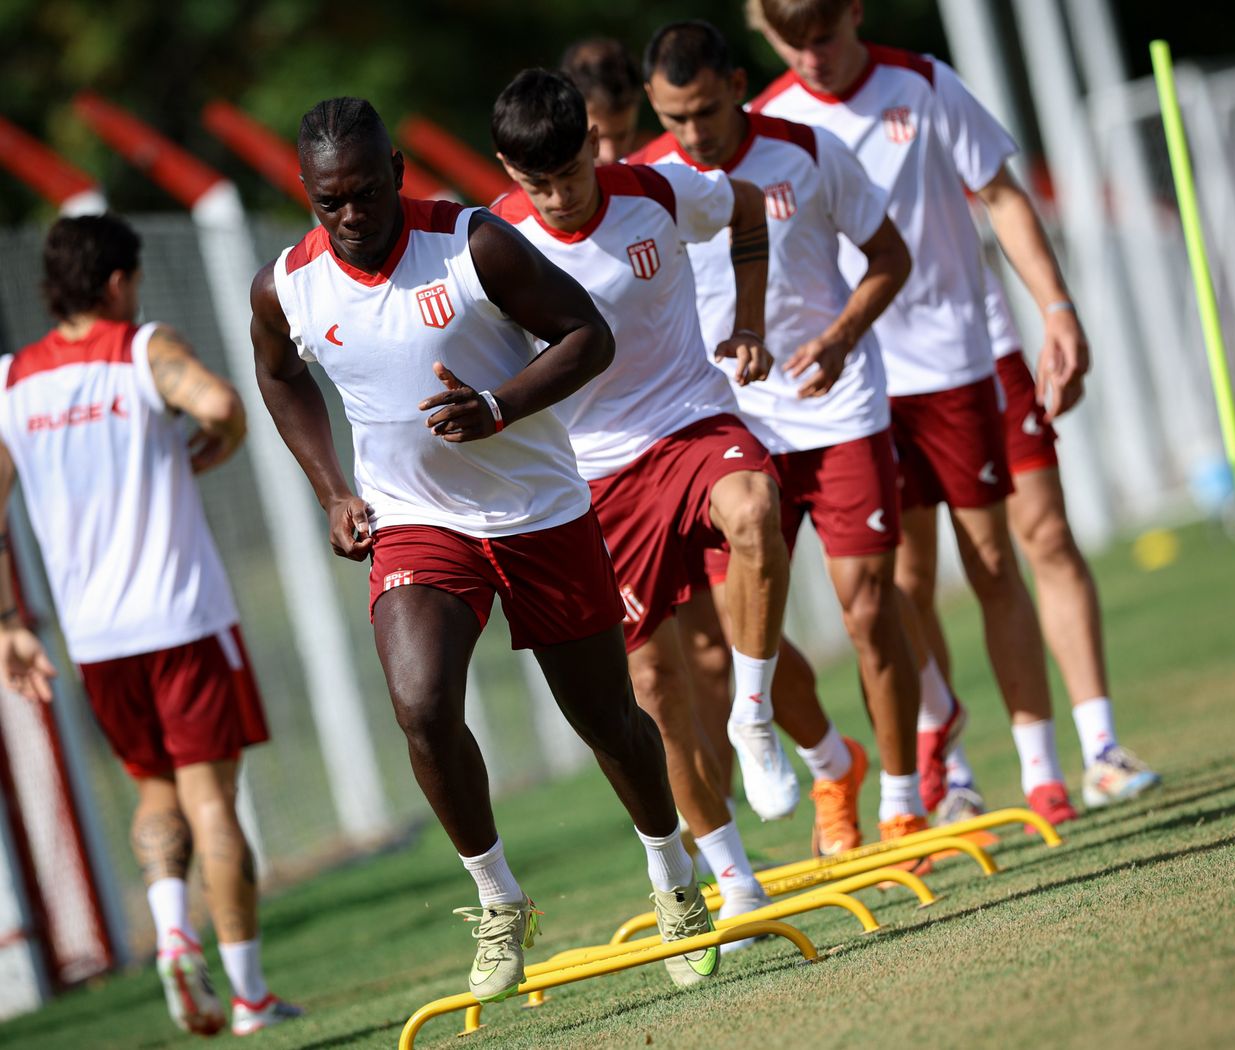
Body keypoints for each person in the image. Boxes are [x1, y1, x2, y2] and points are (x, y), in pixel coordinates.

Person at [251, 97, 715, 996]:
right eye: (327, 201)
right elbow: (278, 373)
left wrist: (499, 406)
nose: (350, 216)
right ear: (306, 195)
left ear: (395, 172)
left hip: (539, 510)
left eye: (363, 193)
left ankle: (673, 875)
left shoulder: (473, 244)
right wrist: (333, 491)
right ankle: (500, 901)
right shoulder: (287, 285)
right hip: (417, 520)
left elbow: (591, 333)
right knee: (421, 706)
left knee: (605, 721)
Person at [748, 0, 1107, 825]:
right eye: (789, 43)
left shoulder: (923, 83)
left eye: (824, 36)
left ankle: (1046, 767)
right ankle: (947, 756)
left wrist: (1055, 307)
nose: (812, 58)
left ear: (854, 13)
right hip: (857, 391)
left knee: (997, 558)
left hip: (957, 361)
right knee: (901, 584)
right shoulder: (766, 124)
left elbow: (1003, 195)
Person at [490, 68, 795, 938]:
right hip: (589, 478)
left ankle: (755, 712)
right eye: (535, 182)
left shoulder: (656, 190)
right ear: (511, 172)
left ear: (594, 141)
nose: (556, 196)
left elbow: (743, 204)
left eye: (569, 173)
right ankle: (733, 874)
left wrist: (751, 318)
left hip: (689, 420)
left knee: (755, 513)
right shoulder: (496, 245)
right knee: (652, 688)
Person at [636, 20, 949, 863]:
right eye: (675, 117)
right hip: (733, 430)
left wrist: (843, 337)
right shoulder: (651, 187)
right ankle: (828, 766)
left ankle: (903, 803)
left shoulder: (806, 153)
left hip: (838, 407)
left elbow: (888, 255)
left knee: (869, 608)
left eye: (706, 109)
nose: (695, 133)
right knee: (745, 637)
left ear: (738, 83)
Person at [0, 214, 300, 1037]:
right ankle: (248, 996)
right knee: (214, 803)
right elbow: (222, 403)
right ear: (120, 282)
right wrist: (216, 444)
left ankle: (170, 928)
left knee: (153, 793)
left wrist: (8, 625)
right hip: (181, 618)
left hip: (94, 639)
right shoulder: (140, 350)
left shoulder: (12, 381)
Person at [927, 270, 1161, 823]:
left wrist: (1057, 309)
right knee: (919, 580)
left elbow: (1004, 198)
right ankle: (952, 779)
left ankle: (1095, 753)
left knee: (1049, 537)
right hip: (880, 376)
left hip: (983, 348)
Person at [561, 36, 646, 164]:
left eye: (622, 136)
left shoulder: (657, 171)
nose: (610, 155)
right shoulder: (529, 179)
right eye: (595, 138)